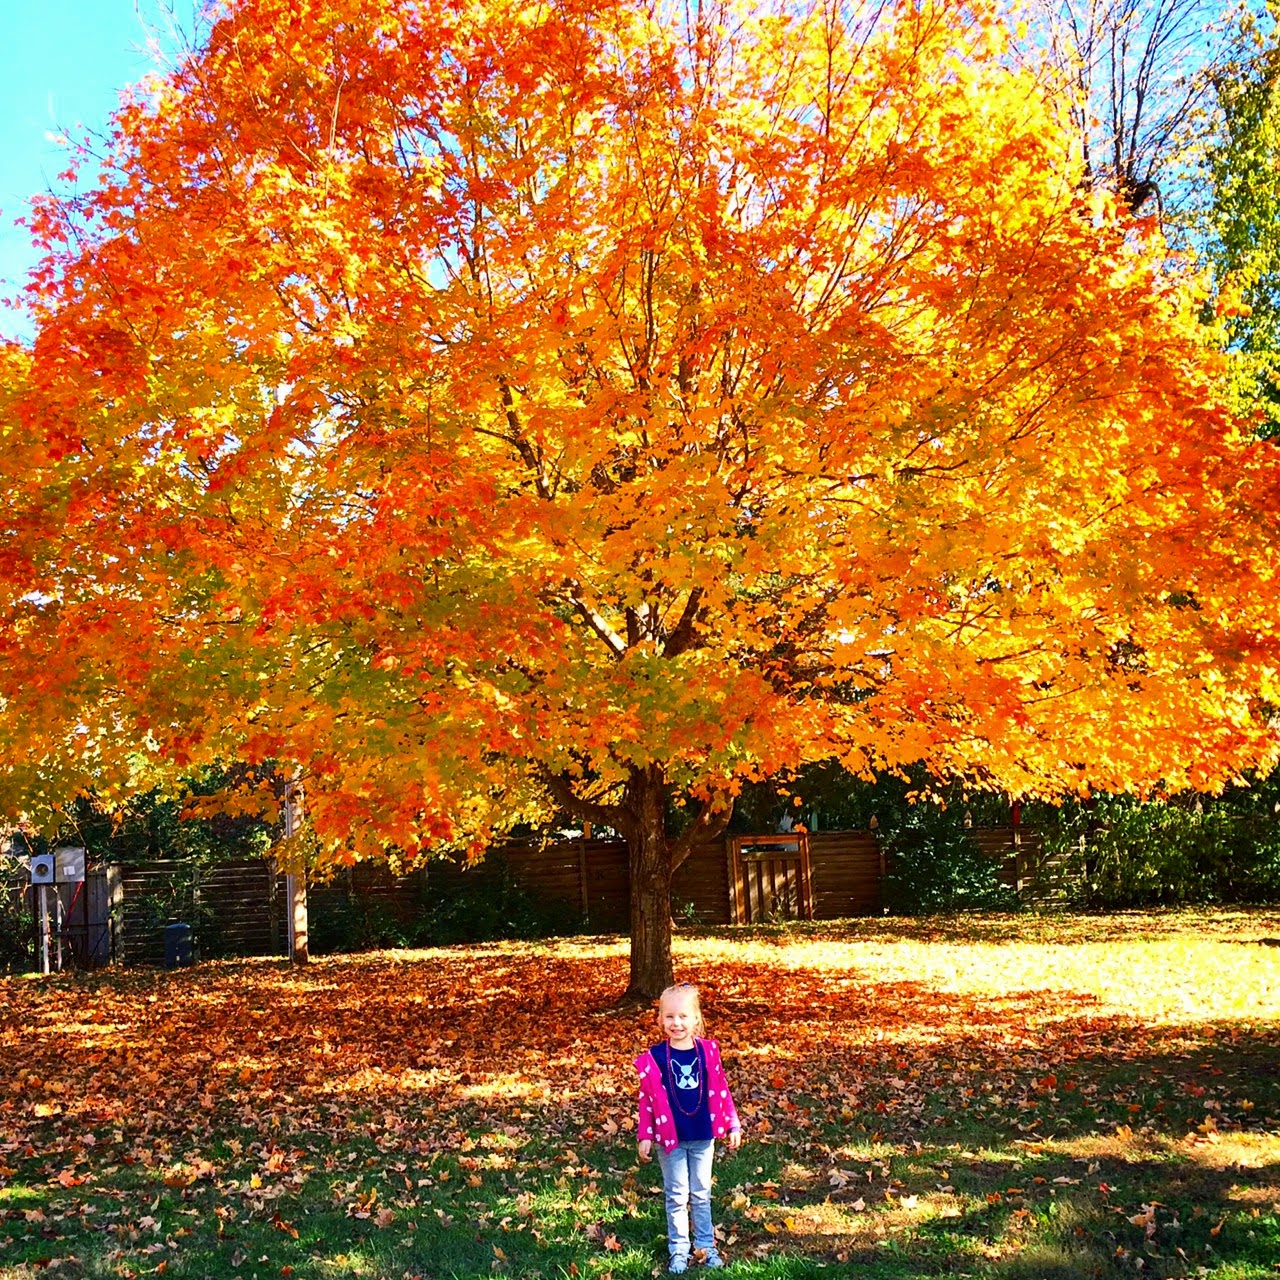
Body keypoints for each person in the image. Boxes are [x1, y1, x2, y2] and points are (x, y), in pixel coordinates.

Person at [635, 983, 741, 1272]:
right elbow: (647, 1099)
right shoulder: (656, 1057)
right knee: (677, 1195)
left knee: (701, 1193)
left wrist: (732, 1123)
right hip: (670, 1139)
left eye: (683, 1016)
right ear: (660, 1019)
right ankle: (679, 1249)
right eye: (669, 1016)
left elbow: (722, 1090)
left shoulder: (708, 1052)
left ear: (696, 1018)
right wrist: (645, 1134)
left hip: (703, 1136)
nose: (676, 1023)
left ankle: (706, 1246)